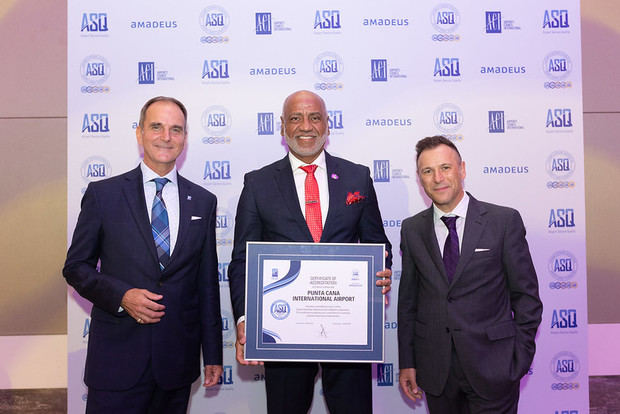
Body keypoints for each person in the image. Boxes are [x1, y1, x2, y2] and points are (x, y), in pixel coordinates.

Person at [228, 90, 393, 413]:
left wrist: (382, 268)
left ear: (327, 124)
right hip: (284, 331)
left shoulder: (357, 176)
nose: (306, 126)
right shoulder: (258, 184)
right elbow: (242, 261)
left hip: (349, 331)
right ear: (282, 127)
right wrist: (246, 318)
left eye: (315, 117)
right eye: (296, 118)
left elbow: (379, 244)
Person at [63, 96, 223, 413]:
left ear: (185, 138)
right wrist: (121, 296)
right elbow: (76, 267)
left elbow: (206, 284)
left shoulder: (203, 201)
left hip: (175, 364)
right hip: (115, 361)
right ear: (139, 133)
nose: (166, 137)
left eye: (176, 129)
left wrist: (214, 354)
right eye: (156, 127)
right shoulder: (103, 194)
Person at [397, 135, 542, 413]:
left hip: (495, 368)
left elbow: (526, 297)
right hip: (436, 371)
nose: (438, 178)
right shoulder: (412, 229)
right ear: (419, 178)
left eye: (445, 168)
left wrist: (519, 357)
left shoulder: (503, 221)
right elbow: (408, 304)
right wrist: (408, 361)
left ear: (462, 169)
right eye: (428, 171)